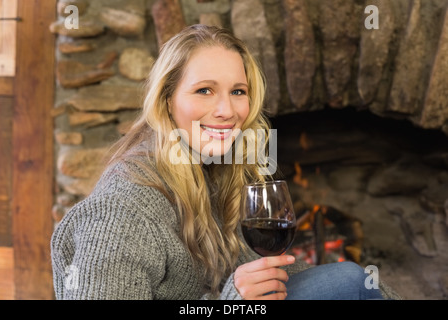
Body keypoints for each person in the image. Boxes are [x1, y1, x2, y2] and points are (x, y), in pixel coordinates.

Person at [51, 24, 399, 300]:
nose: (227, 111)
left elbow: (259, 275)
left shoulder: (220, 170)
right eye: (204, 90)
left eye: (238, 91)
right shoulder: (122, 211)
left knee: (356, 282)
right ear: (167, 100)